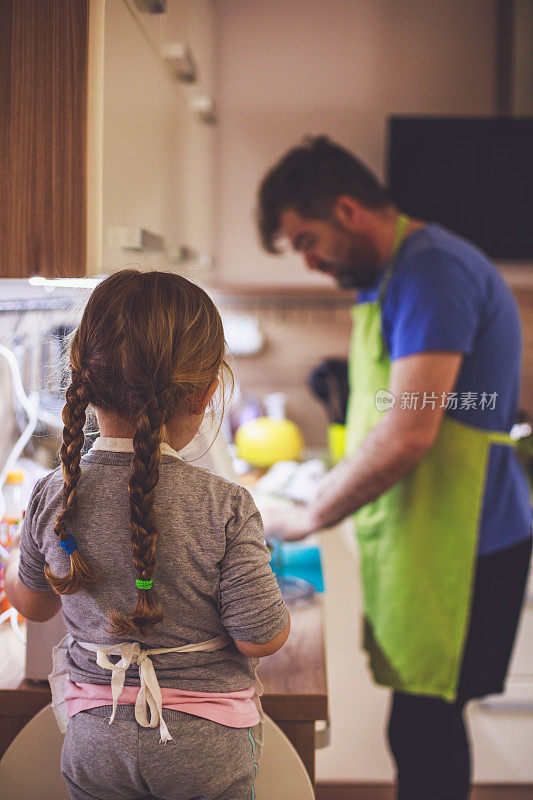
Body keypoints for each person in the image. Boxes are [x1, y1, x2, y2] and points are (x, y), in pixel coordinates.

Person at [257, 136, 532, 800]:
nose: (308, 260)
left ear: (347, 209)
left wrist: (305, 515)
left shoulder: (429, 271)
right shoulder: (390, 276)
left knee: (425, 728)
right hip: (430, 528)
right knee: (418, 726)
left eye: (305, 239)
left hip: (467, 537)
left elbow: (409, 429)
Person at [5, 269, 290, 800]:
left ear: (81, 374)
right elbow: (261, 636)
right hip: (205, 750)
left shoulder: (52, 495)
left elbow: (33, 606)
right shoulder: (224, 505)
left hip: (96, 738)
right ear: (206, 394)